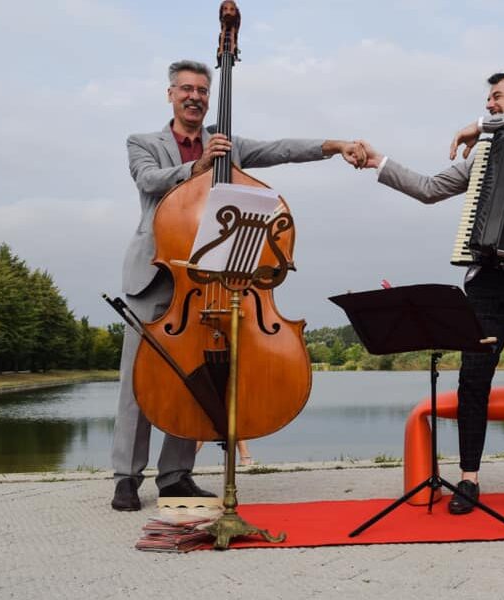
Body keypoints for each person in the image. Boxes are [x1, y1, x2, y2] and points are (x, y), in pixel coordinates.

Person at [111, 59, 366, 511]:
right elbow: (148, 181)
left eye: (203, 91)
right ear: (170, 94)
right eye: (186, 89)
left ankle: (175, 476)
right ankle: (126, 478)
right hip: (157, 274)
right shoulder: (143, 142)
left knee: (196, 379)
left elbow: (281, 149)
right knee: (139, 382)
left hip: (213, 279)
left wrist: (335, 145)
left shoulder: (226, 142)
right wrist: (197, 168)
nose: (195, 96)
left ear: (209, 98)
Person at [356, 72, 504, 515]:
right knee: (473, 379)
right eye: (487, 100)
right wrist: (378, 162)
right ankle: (468, 479)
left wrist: (480, 124)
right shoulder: (485, 156)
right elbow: (428, 189)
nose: (490, 104)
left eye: (496, 97)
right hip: (489, 283)